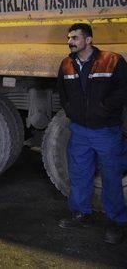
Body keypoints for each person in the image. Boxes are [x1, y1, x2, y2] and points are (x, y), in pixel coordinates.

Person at [56, 23, 127, 244]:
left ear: (89, 40)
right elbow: (63, 92)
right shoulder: (67, 64)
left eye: (75, 38)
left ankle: (116, 222)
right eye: (69, 38)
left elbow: (123, 90)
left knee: (111, 177)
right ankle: (79, 212)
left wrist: (104, 109)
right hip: (80, 130)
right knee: (79, 174)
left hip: (106, 131)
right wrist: (71, 111)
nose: (70, 41)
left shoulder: (112, 60)